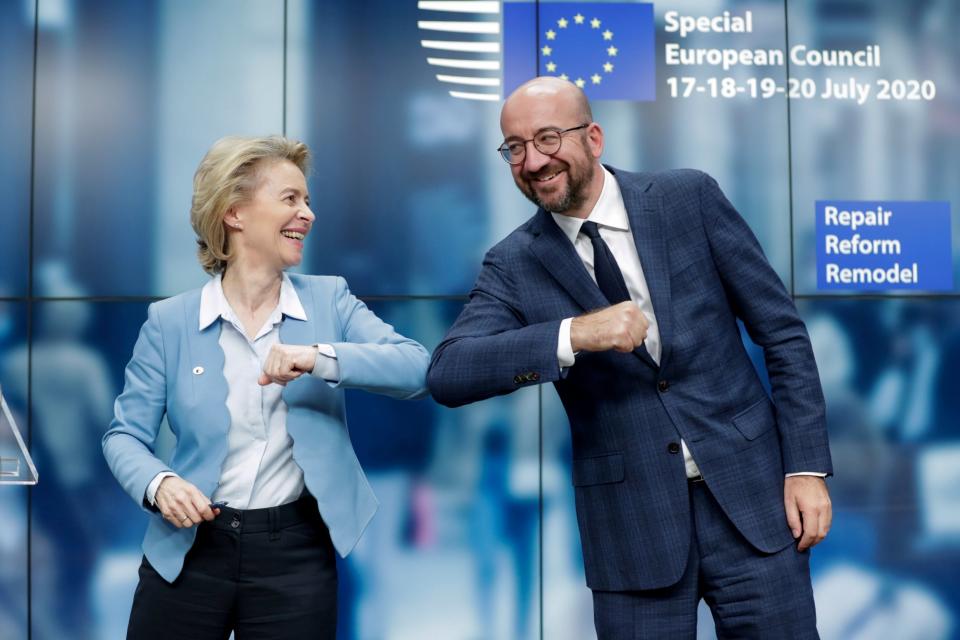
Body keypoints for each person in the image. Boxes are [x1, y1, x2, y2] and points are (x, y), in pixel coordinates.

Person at [427, 77, 833, 638]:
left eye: (548, 138)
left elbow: (782, 333)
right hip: (632, 535)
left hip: (754, 506)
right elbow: (449, 372)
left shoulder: (688, 198)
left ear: (593, 138)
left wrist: (806, 467)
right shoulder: (513, 263)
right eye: (514, 148)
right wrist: (573, 334)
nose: (533, 160)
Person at [102, 135, 429, 639]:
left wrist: (318, 357)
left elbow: (415, 369)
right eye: (290, 199)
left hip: (294, 554)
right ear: (235, 213)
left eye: (308, 200)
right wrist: (159, 484)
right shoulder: (169, 323)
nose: (308, 214)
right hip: (188, 549)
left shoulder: (331, 300)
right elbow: (123, 436)